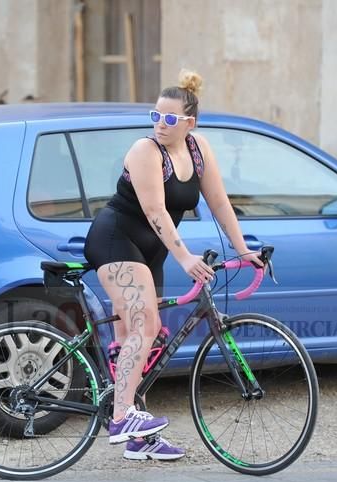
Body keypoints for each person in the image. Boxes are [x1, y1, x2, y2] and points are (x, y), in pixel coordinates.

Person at [83, 69, 264, 461]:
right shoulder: (145, 151)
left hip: (152, 252)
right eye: (156, 116)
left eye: (169, 119)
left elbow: (218, 202)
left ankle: (138, 435)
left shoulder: (198, 149)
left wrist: (242, 248)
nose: (160, 125)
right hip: (116, 240)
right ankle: (120, 418)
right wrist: (185, 257)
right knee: (144, 325)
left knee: (148, 337)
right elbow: (154, 210)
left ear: (189, 123)